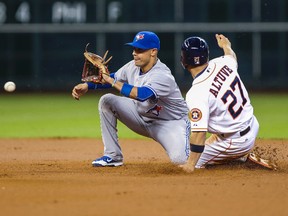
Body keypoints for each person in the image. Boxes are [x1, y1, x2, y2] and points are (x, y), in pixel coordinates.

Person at [72, 31, 191, 167]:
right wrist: (87, 85)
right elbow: (112, 77)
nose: (134, 53)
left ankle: (212, 152)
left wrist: (110, 80)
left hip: (169, 124)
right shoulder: (132, 66)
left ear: (153, 52)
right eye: (134, 49)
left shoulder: (162, 75)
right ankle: (113, 156)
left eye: (140, 49)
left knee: (181, 161)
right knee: (107, 101)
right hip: (141, 117)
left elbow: (141, 94)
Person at [180, 34, 274, 172]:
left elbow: (199, 133)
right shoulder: (223, 62)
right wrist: (226, 46)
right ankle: (239, 154)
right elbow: (231, 56)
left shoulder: (196, 93)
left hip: (235, 141)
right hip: (252, 125)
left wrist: (190, 165)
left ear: (184, 60)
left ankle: (241, 159)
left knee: (190, 159)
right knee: (212, 135)